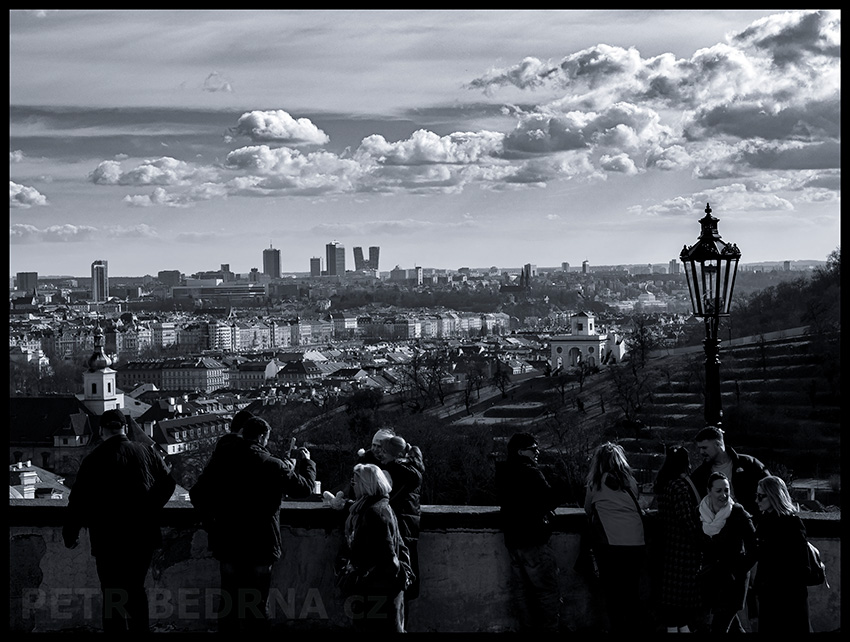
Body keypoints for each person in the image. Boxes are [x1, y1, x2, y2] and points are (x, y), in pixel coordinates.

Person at [190, 416, 316, 632]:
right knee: (257, 603)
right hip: (261, 542)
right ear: (261, 437)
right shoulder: (271, 464)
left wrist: (212, 523)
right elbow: (304, 488)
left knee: (229, 600)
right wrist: (307, 463)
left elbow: (197, 494)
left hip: (228, 540)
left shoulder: (222, 459)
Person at [63, 408, 176, 633]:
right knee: (136, 589)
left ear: (101, 430)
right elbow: (169, 484)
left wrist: (71, 532)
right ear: (124, 428)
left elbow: (78, 500)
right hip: (142, 533)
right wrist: (149, 507)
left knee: (112, 591)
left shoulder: (93, 459)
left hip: (107, 535)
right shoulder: (146, 451)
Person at [495, 432, 567, 633]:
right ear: (521, 451)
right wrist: (560, 481)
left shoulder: (503, 472)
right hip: (533, 539)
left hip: (513, 540)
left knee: (522, 592)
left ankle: (527, 629)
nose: (538, 452)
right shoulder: (530, 472)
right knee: (546, 592)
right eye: (533, 449)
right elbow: (549, 499)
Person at [337, 463, 408, 632]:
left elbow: (387, 556)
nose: (352, 487)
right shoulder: (380, 506)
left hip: (377, 591)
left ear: (365, 485)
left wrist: (355, 573)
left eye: (354, 483)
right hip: (381, 589)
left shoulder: (373, 513)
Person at [584, 441, 646, 634]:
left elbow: (588, 509)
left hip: (609, 544)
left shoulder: (595, 483)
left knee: (613, 594)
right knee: (632, 592)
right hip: (636, 542)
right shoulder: (630, 482)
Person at [697, 471, 757, 633]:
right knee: (733, 628)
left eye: (727, 490)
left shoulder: (738, 514)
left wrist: (739, 568)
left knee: (719, 627)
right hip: (711, 582)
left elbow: (754, 546)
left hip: (733, 583)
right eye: (719, 491)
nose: (724, 495)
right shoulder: (700, 513)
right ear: (709, 491)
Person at [652, 445, 703, 633]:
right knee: (681, 606)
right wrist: (700, 541)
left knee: (672, 606)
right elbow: (686, 519)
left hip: (669, 545)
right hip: (683, 550)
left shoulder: (664, 484)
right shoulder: (679, 486)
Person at [753, 476, 812, 634]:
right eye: (756, 495)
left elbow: (802, 566)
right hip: (770, 596)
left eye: (761, 496)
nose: (757, 500)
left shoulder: (792, 524)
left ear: (774, 496)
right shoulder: (764, 522)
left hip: (789, 598)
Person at [377, 435, 425, 616]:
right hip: (410, 528)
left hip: (398, 529)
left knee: (396, 579)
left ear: (392, 454)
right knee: (406, 578)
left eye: (383, 451)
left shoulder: (394, 470)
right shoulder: (412, 469)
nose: (380, 455)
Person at [691, 425, 770, 518]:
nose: (701, 452)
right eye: (699, 448)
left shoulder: (749, 464)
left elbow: (772, 490)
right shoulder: (700, 475)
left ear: (717, 444)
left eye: (704, 448)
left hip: (752, 523)